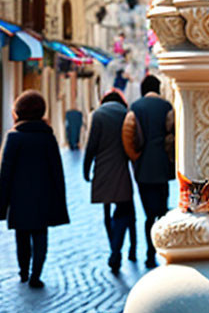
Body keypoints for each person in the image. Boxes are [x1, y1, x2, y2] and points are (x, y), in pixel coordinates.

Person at [0, 90, 70, 288]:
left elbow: (5, 173)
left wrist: (2, 203)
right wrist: (59, 199)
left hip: (19, 197)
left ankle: (23, 271)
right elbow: (57, 171)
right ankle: (36, 274)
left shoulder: (13, 137)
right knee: (40, 236)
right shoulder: (47, 137)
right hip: (43, 196)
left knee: (21, 236)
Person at [122, 74, 174, 268]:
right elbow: (172, 133)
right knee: (162, 209)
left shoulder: (135, 107)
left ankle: (149, 253)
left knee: (148, 214)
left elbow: (129, 133)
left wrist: (134, 156)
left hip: (143, 168)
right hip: (163, 167)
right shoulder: (166, 107)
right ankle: (164, 249)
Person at [83, 90, 137, 273]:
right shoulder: (126, 114)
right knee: (124, 210)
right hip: (122, 169)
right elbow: (134, 142)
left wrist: (86, 168)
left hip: (102, 170)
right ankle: (122, 249)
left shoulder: (98, 115)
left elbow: (91, 145)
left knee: (107, 212)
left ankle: (113, 247)